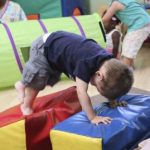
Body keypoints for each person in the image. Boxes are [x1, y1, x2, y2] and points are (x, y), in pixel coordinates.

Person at [15, 31, 133, 125]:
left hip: (58, 50)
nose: (94, 85)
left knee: (49, 79)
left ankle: (23, 84)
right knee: (38, 78)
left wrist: (113, 100)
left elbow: (112, 80)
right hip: (44, 47)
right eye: (97, 86)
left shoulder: (108, 62)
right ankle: (26, 105)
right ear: (99, 75)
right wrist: (92, 117)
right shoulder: (85, 63)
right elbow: (81, 92)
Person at [102, 0, 150, 68]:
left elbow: (105, 19)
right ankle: (131, 67)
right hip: (139, 24)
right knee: (127, 46)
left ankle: (124, 73)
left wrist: (95, 25)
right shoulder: (122, 2)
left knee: (128, 52)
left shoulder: (116, 4)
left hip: (140, 25)